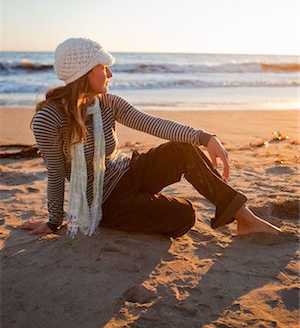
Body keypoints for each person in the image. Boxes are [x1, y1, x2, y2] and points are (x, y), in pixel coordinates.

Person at [20, 38, 281, 238]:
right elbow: (55, 173)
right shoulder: (49, 119)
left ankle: (244, 219)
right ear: (85, 72)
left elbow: (152, 124)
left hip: (129, 172)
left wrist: (205, 137)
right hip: (107, 201)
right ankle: (142, 211)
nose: (110, 74)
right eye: (103, 67)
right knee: (184, 216)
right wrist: (53, 222)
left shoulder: (108, 103)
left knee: (182, 150)